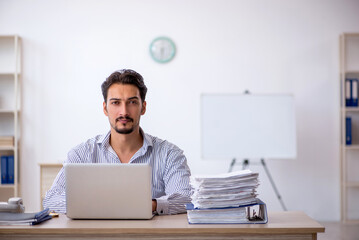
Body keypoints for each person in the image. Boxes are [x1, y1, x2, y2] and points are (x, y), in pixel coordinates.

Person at [43, 69, 192, 215]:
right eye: (115, 103)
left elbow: (186, 198)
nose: (124, 112)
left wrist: (149, 205)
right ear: (105, 108)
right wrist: (106, 206)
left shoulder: (169, 154)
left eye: (132, 102)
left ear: (143, 107)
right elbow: (52, 199)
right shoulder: (81, 154)